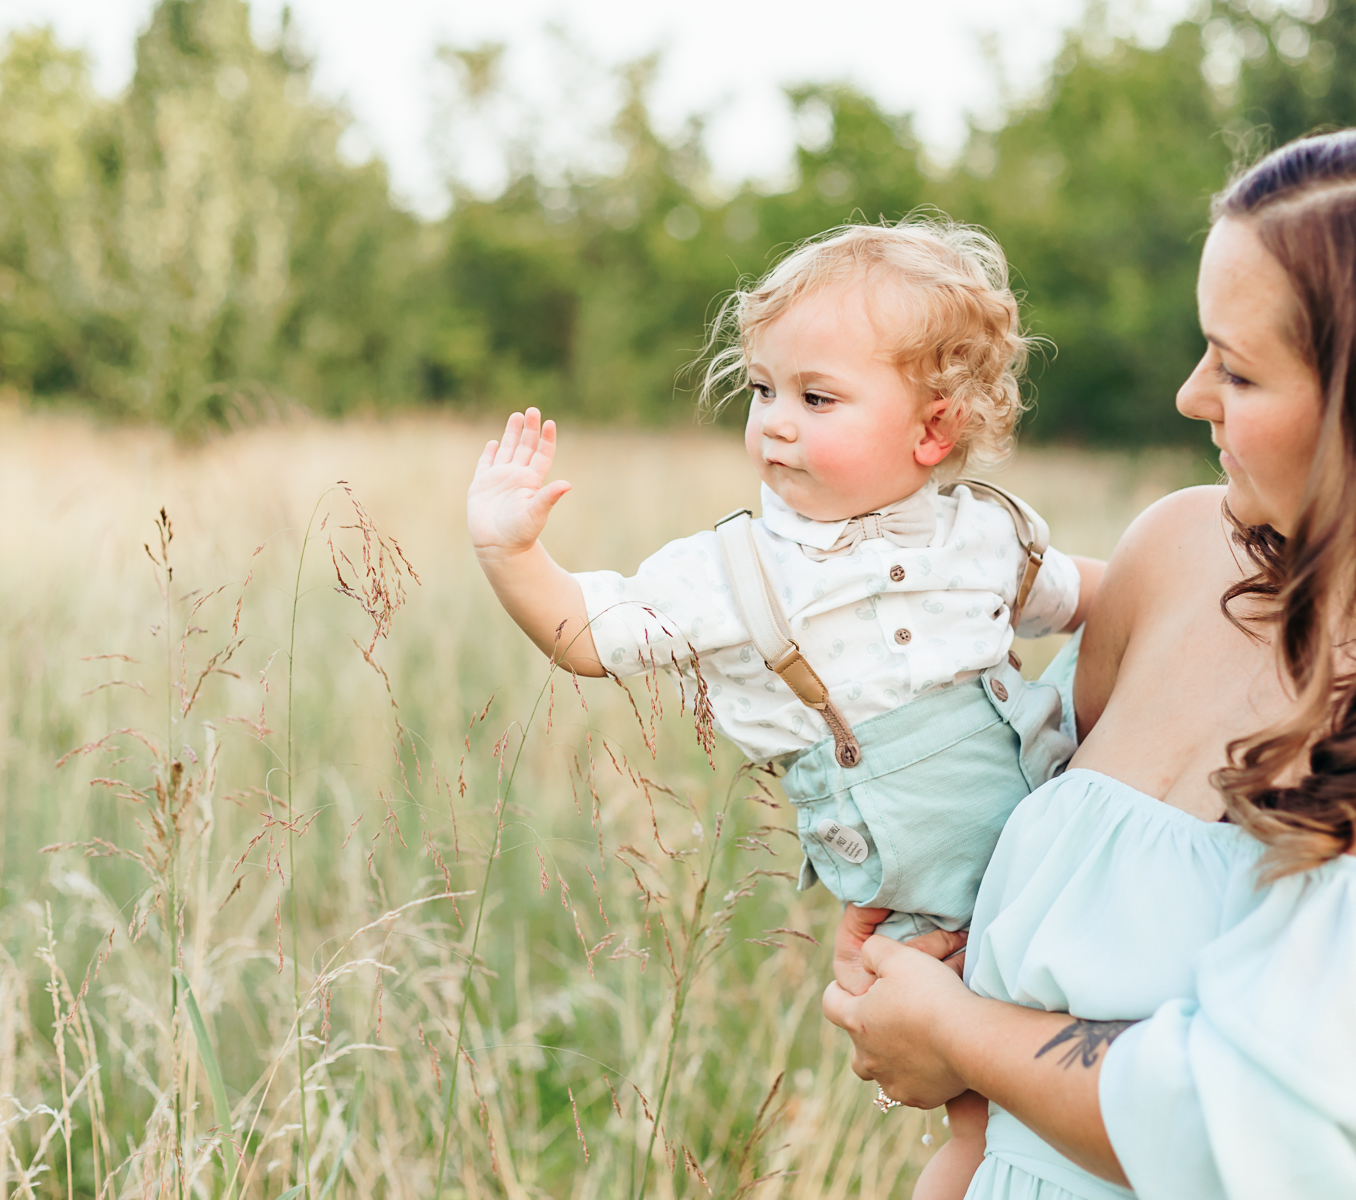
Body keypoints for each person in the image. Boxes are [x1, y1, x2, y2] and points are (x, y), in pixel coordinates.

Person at [823, 120, 1356, 1199]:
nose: (1194, 395)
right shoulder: (1179, 553)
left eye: (1238, 371)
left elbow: (1263, 1130)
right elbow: (1038, 911)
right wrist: (919, 963)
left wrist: (959, 1034)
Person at [466, 220, 1104, 1196]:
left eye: (817, 396)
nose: (775, 421)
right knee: (988, 1134)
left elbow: (1094, 596)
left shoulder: (982, 535)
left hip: (1055, 850)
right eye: (763, 390)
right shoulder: (733, 573)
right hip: (933, 912)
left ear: (933, 428)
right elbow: (588, 636)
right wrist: (512, 554)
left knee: (1091, 1104)